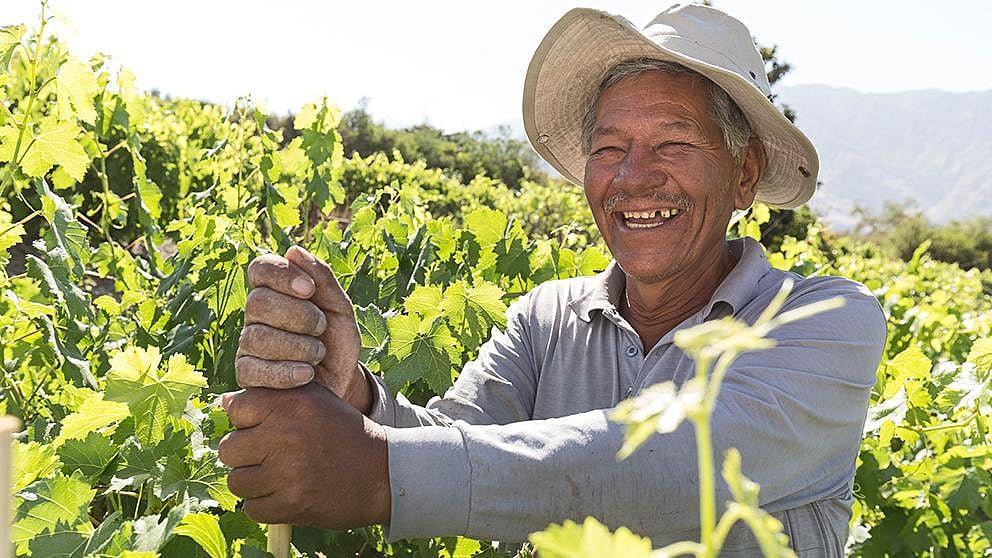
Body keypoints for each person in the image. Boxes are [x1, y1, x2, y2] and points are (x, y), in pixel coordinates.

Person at [218, 4, 887, 555]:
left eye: (673, 142)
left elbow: (680, 464)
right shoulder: (545, 319)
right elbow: (451, 442)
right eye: (608, 148)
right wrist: (354, 395)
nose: (632, 177)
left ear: (745, 173)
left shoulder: (822, 321)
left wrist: (376, 473)